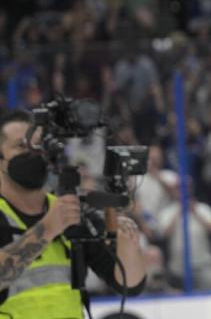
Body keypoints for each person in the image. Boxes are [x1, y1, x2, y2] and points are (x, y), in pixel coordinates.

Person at [0, 110, 147, 317]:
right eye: (21, 146)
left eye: (39, 145)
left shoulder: (72, 211)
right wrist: (48, 229)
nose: (32, 152)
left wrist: (127, 243)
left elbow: (129, 285)